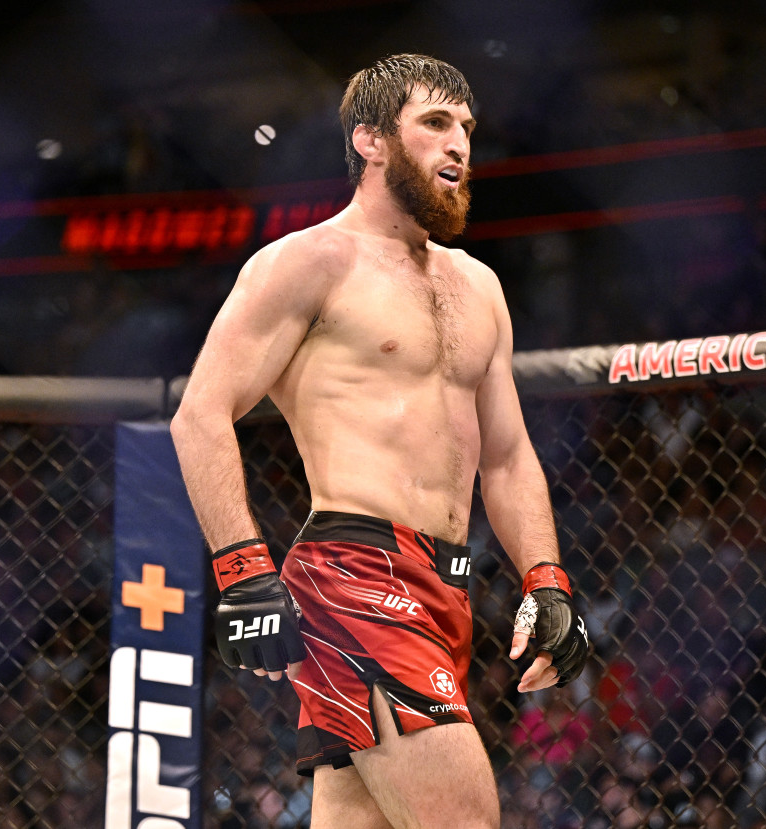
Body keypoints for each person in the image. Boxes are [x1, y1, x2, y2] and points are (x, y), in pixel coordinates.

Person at [170, 54, 590, 829]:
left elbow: (505, 455)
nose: (458, 143)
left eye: (466, 127)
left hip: (448, 588)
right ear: (370, 140)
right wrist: (243, 573)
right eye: (434, 123)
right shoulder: (309, 262)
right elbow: (199, 415)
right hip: (354, 576)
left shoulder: (479, 287)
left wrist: (547, 579)